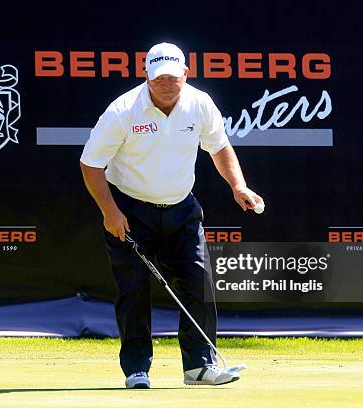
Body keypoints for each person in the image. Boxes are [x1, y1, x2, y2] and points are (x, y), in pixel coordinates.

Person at [79, 42, 264, 389]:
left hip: (181, 207)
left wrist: (238, 187)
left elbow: (219, 146)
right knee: (134, 290)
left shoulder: (200, 103)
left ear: (185, 75)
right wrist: (110, 212)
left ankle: (199, 368)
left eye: (173, 77)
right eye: (159, 77)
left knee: (198, 283)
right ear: (146, 76)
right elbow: (90, 164)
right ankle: (137, 370)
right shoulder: (123, 111)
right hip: (130, 209)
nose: (166, 83)